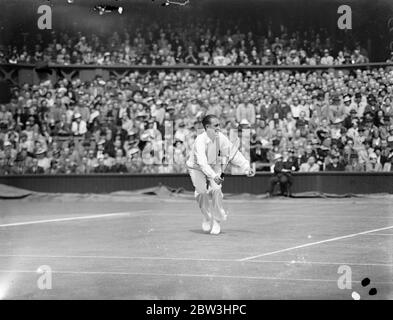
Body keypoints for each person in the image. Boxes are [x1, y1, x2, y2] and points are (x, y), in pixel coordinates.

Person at [186, 114, 255, 235]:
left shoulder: (221, 137)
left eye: (219, 125)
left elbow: (233, 154)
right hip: (196, 167)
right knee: (201, 192)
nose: (219, 128)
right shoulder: (199, 141)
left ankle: (217, 220)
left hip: (214, 165)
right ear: (207, 127)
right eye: (216, 125)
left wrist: (246, 167)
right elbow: (202, 163)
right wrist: (214, 176)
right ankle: (207, 216)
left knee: (216, 189)